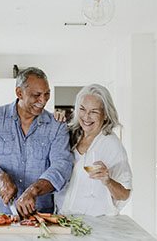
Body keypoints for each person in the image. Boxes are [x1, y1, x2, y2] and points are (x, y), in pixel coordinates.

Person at [0, 67, 73, 217]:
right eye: (37, 95)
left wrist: (34, 190)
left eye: (47, 94)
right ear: (19, 93)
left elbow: (62, 166)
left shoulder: (57, 125)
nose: (43, 101)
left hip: (42, 215)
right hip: (4, 214)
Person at [54, 84, 132, 216]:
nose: (86, 116)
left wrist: (108, 181)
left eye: (94, 112)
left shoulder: (112, 145)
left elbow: (124, 194)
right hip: (62, 218)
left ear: (106, 115)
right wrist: (53, 121)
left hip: (95, 224)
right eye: (82, 109)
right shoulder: (70, 135)